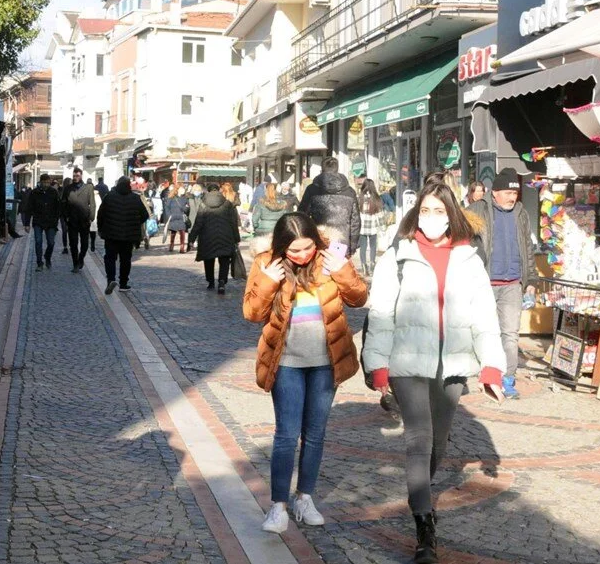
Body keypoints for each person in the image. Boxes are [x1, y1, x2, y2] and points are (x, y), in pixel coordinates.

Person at [364, 182, 505, 564]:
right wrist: (377, 365)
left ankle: (419, 491)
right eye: (425, 210)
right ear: (415, 213)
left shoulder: (469, 259)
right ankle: (425, 527)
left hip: (454, 364)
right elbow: (380, 314)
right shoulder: (397, 255)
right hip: (407, 362)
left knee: (438, 444)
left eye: (439, 211)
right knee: (418, 439)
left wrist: (492, 367)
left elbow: (485, 317)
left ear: (452, 214)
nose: (432, 219)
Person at [242, 212, 366, 535]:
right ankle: (278, 506)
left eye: (306, 247)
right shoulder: (266, 262)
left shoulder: (331, 258)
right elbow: (252, 313)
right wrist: (267, 279)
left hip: (326, 362)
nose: (300, 256)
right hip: (286, 364)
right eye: (293, 250)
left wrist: (342, 271)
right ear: (282, 246)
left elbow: (359, 298)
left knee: (315, 434)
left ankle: (305, 498)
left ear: (315, 239)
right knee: (286, 435)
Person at [467, 169, 536, 400]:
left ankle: (507, 379)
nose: (512, 197)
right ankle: (481, 372)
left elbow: (527, 247)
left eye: (514, 193)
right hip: (484, 282)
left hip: (512, 283)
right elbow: (460, 240)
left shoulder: (521, 213)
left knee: (510, 334)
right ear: (494, 192)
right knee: (481, 331)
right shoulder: (477, 210)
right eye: (507, 192)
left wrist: (531, 281)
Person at [97, 176, 150, 294]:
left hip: (111, 234)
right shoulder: (135, 198)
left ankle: (111, 279)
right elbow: (145, 215)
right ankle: (123, 283)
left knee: (110, 258)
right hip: (129, 236)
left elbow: (101, 215)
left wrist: (101, 229)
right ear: (128, 185)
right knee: (125, 259)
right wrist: (135, 223)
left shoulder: (109, 197)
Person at [298, 157, 360, 256]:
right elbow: (355, 221)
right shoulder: (350, 192)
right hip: (341, 241)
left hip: (319, 239)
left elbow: (302, 216)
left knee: (318, 270)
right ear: (337, 169)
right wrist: (353, 246)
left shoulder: (312, 190)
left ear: (322, 170)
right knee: (338, 270)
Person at [188, 184, 240, 295]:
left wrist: (191, 238)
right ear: (219, 191)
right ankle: (221, 281)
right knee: (224, 260)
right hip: (226, 236)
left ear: (208, 191)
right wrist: (236, 238)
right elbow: (233, 223)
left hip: (207, 237)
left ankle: (211, 281)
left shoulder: (203, 205)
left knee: (209, 259)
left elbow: (198, 223)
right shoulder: (227, 204)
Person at [21, 174, 61, 271]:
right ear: (41, 182)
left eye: (48, 182)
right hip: (38, 221)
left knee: (51, 242)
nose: (46, 184)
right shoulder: (34, 193)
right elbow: (29, 208)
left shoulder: (53, 192)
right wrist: (27, 224)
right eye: (44, 182)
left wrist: (56, 220)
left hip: (51, 222)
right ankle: (39, 263)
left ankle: (47, 257)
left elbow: (58, 207)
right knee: (38, 241)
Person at [61, 166, 97, 273]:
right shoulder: (68, 188)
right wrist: (66, 216)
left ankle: (81, 259)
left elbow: (92, 204)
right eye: (74, 175)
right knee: (73, 244)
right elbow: (63, 203)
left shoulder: (88, 188)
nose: (75, 177)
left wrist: (91, 217)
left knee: (85, 244)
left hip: (84, 220)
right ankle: (75, 263)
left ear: (81, 175)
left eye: (77, 175)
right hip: (72, 220)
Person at [358, 179, 387, 275]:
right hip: (373, 227)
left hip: (362, 227)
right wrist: (383, 228)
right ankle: (372, 264)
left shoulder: (360, 198)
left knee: (363, 246)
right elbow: (380, 215)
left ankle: (363, 265)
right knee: (373, 246)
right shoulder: (376, 198)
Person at [165, 186, 189, 253]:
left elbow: (187, 209)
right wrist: (169, 216)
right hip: (173, 217)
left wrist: (185, 208)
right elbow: (167, 208)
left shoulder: (185, 198)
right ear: (177, 190)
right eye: (181, 189)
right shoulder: (171, 198)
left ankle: (182, 247)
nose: (183, 190)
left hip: (181, 217)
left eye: (183, 189)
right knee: (173, 232)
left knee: (182, 233)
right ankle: (171, 244)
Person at [89, 186, 103, 253]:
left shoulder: (88, 195)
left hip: (88, 216)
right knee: (93, 232)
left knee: (88, 231)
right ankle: (92, 244)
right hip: (95, 216)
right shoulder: (98, 196)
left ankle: (90, 244)